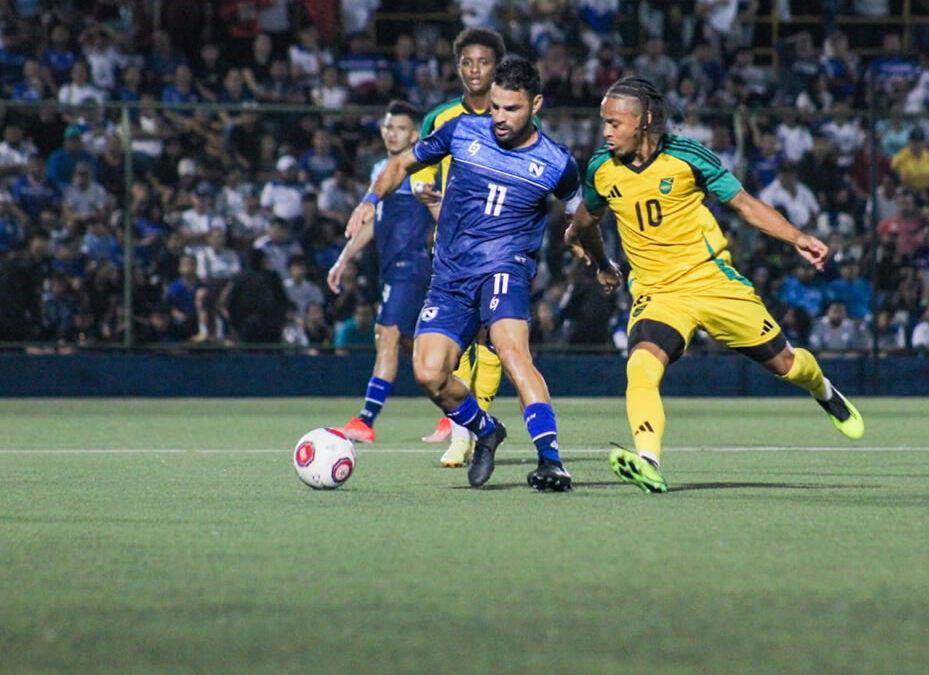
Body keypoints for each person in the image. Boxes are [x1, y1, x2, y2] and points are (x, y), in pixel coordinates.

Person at [565, 77, 865, 494]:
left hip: (712, 281)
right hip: (658, 293)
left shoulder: (688, 157)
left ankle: (824, 389)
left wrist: (798, 237)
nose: (606, 131)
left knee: (788, 366)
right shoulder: (602, 167)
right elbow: (586, 219)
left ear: (645, 121)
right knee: (640, 367)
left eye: (615, 122)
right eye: (604, 122)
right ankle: (649, 462)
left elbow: (743, 204)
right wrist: (590, 251)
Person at [344, 56, 578, 492]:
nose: (500, 118)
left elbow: (580, 214)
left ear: (537, 105)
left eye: (512, 109)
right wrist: (369, 200)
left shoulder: (556, 163)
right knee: (430, 374)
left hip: (504, 269)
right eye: (494, 107)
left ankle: (551, 459)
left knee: (512, 352)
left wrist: (591, 251)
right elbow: (398, 165)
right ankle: (486, 429)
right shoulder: (460, 131)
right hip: (450, 276)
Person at [409, 27, 508, 466]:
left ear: (497, 67)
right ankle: (465, 431)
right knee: (457, 342)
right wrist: (430, 201)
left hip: (502, 243)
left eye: (483, 62)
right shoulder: (441, 118)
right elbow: (419, 173)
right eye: (467, 62)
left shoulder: (514, 114)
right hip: (453, 246)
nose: (474, 70)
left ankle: (473, 429)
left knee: (492, 337)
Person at [329, 101, 435, 444]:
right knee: (408, 344)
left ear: (415, 134)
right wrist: (344, 258)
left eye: (401, 128)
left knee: (386, 333)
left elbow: (441, 211)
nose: (393, 134)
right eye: (389, 127)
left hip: (412, 265)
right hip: (391, 268)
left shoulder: (421, 168)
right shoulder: (382, 169)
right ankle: (456, 411)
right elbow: (372, 221)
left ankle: (366, 420)